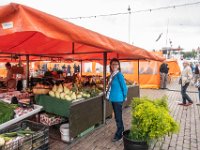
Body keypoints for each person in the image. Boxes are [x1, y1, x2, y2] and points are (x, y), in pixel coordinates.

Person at [106, 58, 128, 142]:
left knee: (118, 117)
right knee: (117, 117)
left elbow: (124, 87)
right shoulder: (112, 74)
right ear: (110, 66)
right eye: (112, 64)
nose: (114, 66)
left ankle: (119, 134)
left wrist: (124, 96)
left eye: (116, 64)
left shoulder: (119, 75)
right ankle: (121, 130)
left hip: (118, 100)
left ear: (118, 66)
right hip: (114, 99)